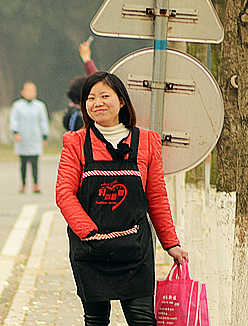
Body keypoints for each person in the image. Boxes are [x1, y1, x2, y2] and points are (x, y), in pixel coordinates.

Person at [55, 71, 188, 326]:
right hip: (90, 249)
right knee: (95, 321)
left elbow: (156, 196)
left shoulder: (147, 141)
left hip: (134, 249)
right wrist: (89, 232)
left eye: (105, 96)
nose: (98, 103)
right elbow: (64, 193)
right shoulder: (75, 142)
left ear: (122, 101)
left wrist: (170, 243)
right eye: (91, 98)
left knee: (142, 320)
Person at [9, 82, 49, 193]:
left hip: (35, 138)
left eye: (32, 90)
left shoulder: (40, 106)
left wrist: (44, 136)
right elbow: (13, 120)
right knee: (23, 163)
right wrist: (15, 132)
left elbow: (43, 121)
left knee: (35, 163)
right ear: (22, 92)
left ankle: (36, 184)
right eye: (28, 90)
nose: (30, 93)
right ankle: (23, 184)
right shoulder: (17, 106)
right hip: (22, 138)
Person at [64, 40, 98, 132]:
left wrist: (87, 59)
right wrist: (87, 60)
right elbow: (99, 82)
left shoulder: (70, 111)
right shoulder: (84, 117)